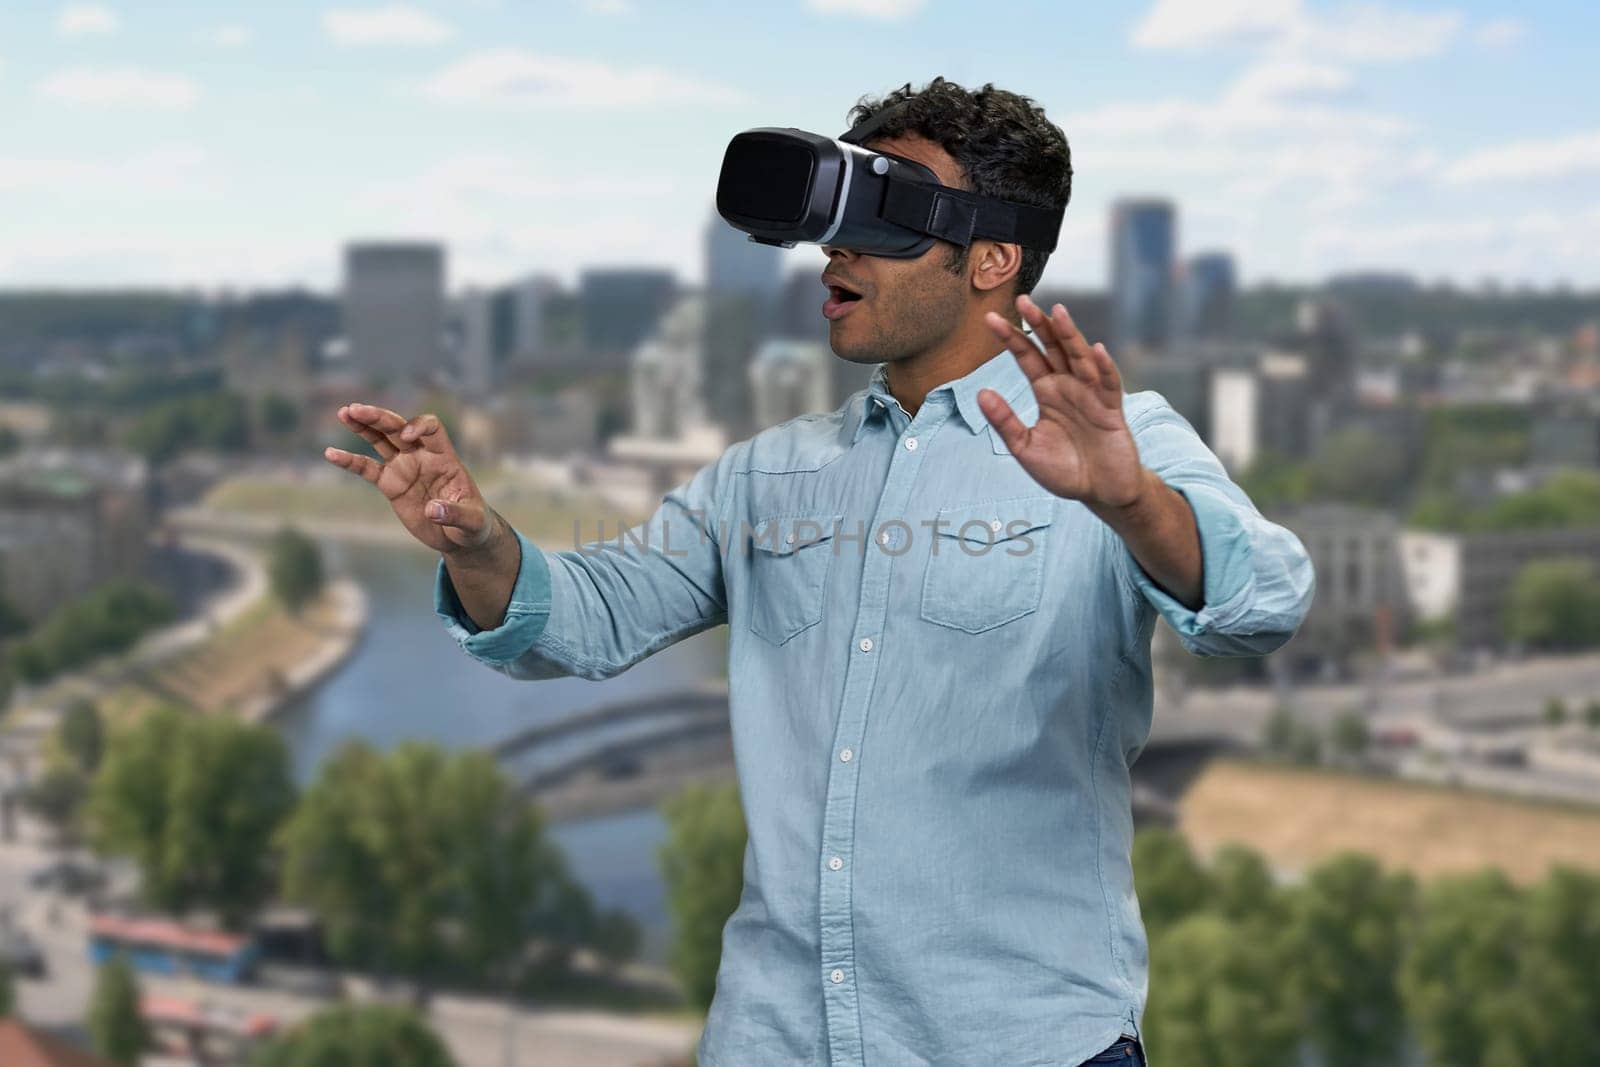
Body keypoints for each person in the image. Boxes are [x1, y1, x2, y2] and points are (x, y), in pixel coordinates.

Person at [324, 76, 1316, 1067]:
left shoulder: (1120, 442)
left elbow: (1263, 604)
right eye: (836, 219)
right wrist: (477, 539)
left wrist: (1127, 498)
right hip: (775, 1039)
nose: (836, 251)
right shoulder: (770, 472)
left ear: (995, 258)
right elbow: (583, 619)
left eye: (884, 213)